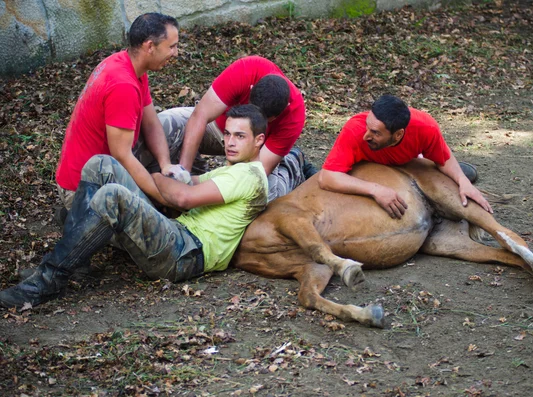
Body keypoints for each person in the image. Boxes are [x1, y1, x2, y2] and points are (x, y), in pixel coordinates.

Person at [0, 105, 268, 309]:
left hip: (186, 253)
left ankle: (46, 282)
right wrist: (167, 182)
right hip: (175, 235)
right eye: (227, 134)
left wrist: (162, 179)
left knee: (113, 195)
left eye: (240, 136)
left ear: (259, 140)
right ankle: (77, 264)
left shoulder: (250, 176)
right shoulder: (229, 171)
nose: (230, 142)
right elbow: (184, 183)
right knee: (101, 165)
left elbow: (184, 197)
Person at [55, 12, 188, 211]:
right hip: (83, 190)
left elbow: (151, 124)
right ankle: (77, 217)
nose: (176, 53)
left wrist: (166, 165)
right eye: (171, 46)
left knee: (175, 123)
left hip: (108, 165)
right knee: (159, 227)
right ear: (150, 46)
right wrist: (161, 197)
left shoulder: (130, 66)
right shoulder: (122, 85)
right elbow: (121, 155)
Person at [158, 55, 316, 202]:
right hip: (218, 129)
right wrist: (183, 173)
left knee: (264, 198)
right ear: (252, 88)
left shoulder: (294, 115)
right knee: (166, 122)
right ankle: (195, 169)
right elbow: (200, 116)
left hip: (256, 152)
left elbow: (255, 174)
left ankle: (293, 163)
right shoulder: (248, 69)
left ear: (275, 116)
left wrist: (197, 195)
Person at [318, 95, 492, 218]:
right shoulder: (354, 130)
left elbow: (444, 158)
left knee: (444, 171)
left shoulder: (425, 127)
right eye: (367, 126)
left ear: (398, 134)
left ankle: (452, 173)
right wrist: (375, 190)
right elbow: (327, 177)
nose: (366, 136)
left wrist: (463, 182)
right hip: (368, 169)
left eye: (375, 133)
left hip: (409, 164)